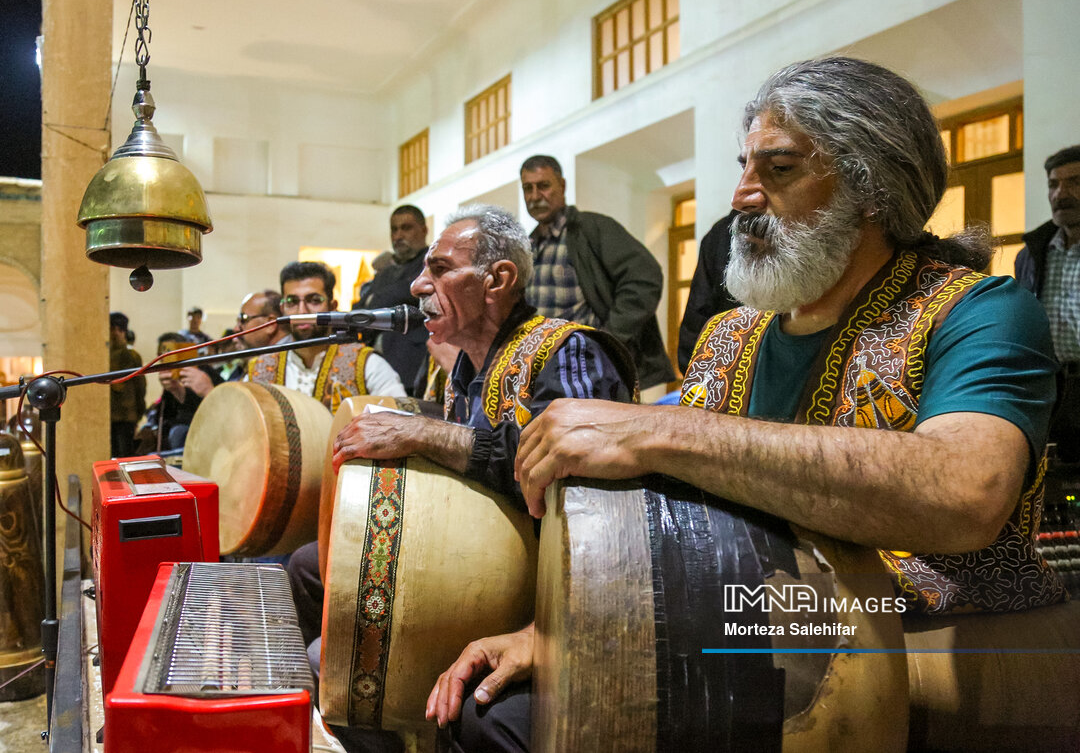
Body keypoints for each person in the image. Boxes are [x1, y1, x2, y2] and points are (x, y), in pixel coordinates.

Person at [431, 57, 1065, 750]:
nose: (741, 195)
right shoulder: (734, 334)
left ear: (872, 185)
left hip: (926, 653)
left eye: (781, 168)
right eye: (744, 166)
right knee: (486, 710)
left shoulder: (976, 312)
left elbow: (966, 491)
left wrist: (661, 431)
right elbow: (672, 539)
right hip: (746, 634)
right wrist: (554, 631)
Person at [290, 206, 636, 753]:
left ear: (497, 280)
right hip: (482, 571)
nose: (418, 284)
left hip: (558, 598)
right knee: (317, 571)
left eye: (440, 268)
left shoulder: (567, 350)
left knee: (347, 663)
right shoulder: (468, 368)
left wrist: (427, 437)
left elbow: (570, 476)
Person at [520, 154, 675, 391]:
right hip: (543, 375)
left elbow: (644, 278)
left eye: (543, 186)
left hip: (591, 374)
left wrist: (609, 341)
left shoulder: (593, 229)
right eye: (527, 188)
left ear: (562, 186)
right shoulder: (529, 246)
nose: (534, 196)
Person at [246, 261, 406, 411]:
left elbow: (400, 422)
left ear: (332, 307)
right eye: (292, 301)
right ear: (282, 309)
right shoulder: (259, 371)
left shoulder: (366, 364)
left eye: (314, 300)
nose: (302, 311)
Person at [1015, 145, 1080, 467]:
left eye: (1075, 182)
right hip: (1049, 387)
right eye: (1054, 184)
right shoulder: (1031, 254)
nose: (1061, 193)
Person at [357, 205, 430, 393]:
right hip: (375, 366)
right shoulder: (386, 273)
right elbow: (361, 307)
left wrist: (375, 298)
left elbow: (402, 293)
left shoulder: (431, 263)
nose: (398, 236)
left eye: (406, 228)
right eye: (394, 229)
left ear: (423, 230)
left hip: (410, 366)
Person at [676, 209, 741, 375]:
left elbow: (699, 307)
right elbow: (699, 307)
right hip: (724, 366)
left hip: (724, 365)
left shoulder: (720, 232)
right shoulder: (720, 234)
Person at [222, 290, 285, 382]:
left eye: (244, 319)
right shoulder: (255, 362)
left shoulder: (288, 363)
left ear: (270, 324)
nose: (236, 329)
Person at [109, 311, 146, 458]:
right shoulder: (103, 355)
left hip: (125, 418)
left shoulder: (131, 356)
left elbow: (140, 388)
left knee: (125, 459)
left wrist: (138, 413)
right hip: (114, 417)